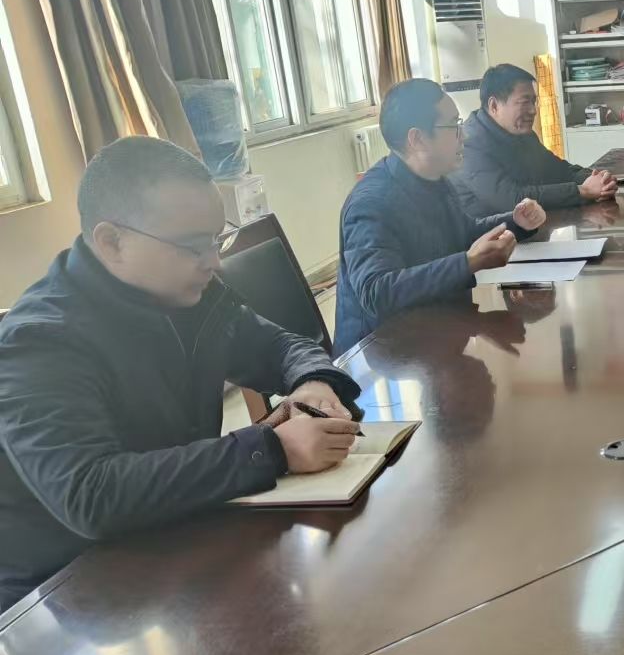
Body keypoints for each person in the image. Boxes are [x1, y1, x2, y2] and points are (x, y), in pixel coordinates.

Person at [0, 137, 361, 610]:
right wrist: (273, 449)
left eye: (216, 239)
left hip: (176, 530)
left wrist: (313, 382)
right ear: (112, 242)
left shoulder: (186, 294)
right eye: (192, 246)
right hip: (70, 591)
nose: (214, 261)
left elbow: (279, 346)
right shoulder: (40, 342)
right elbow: (91, 494)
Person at [335, 78, 548, 355]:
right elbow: (376, 292)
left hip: (434, 331)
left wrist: (516, 223)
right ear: (417, 139)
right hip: (383, 356)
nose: (464, 136)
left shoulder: (435, 180)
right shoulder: (371, 203)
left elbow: (462, 232)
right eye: (453, 126)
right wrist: (467, 263)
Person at [454, 63, 618, 216]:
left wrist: (597, 178)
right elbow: (511, 199)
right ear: (494, 106)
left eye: (534, 102)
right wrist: (583, 191)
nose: (533, 111)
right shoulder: (469, 144)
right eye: (525, 102)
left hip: (529, 226)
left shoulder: (522, 134)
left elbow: (557, 170)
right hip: (490, 234)